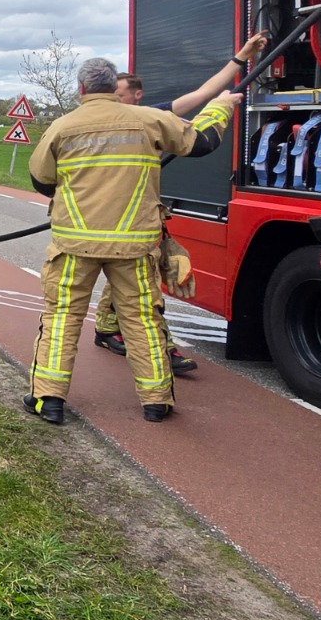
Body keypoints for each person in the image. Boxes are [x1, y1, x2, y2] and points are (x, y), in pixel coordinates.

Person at [25, 58, 237, 425]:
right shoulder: (147, 120)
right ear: (113, 87)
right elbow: (202, 142)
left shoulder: (63, 126)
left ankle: (49, 399)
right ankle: (157, 402)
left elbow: (42, 180)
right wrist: (221, 106)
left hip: (75, 245)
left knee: (62, 318)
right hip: (135, 246)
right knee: (142, 321)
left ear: (81, 90)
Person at [93, 31, 270, 372]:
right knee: (142, 287)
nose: (113, 101)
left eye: (119, 95)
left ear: (137, 96)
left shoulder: (151, 118)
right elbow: (202, 137)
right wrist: (219, 109)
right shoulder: (108, 123)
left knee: (125, 276)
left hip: (134, 215)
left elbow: (203, 93)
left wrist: (241, 57)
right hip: (118, 220)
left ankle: (107, 327)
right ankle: (158, 352)